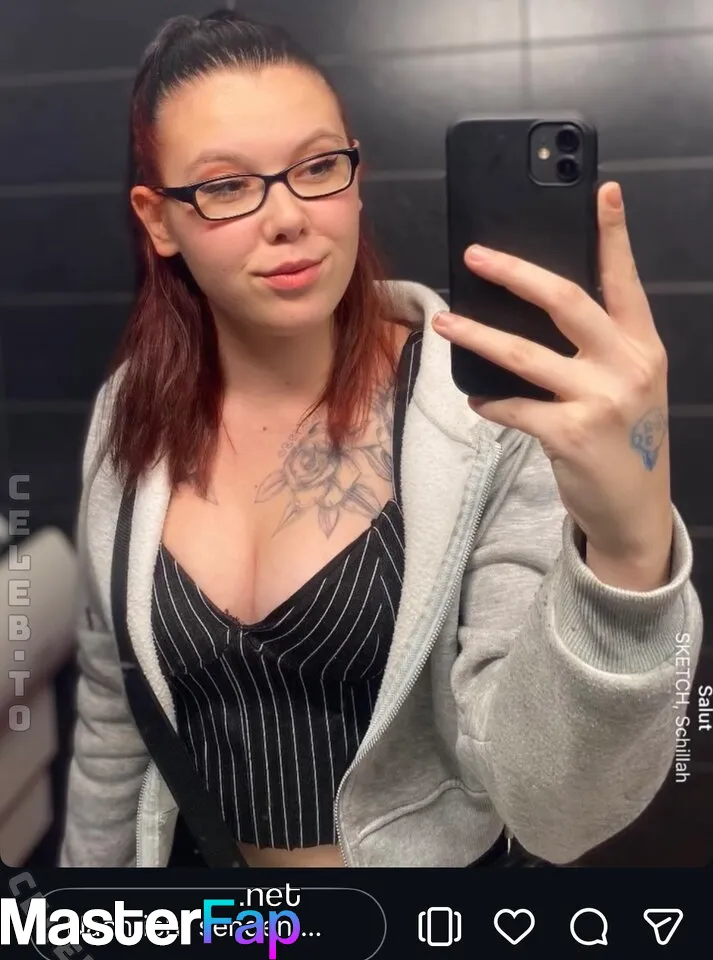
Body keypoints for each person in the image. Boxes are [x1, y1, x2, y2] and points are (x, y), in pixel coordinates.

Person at [59, 9, 702, 869]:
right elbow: (112, 715)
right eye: (226, 186)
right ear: (159, 220)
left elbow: (553, 809)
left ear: (354, 178)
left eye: (317, 167)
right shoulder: (127, 415)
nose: (288, 217)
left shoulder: (483, 420)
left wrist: (626, 555)